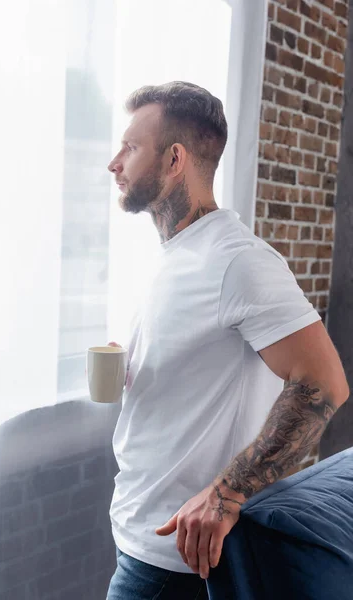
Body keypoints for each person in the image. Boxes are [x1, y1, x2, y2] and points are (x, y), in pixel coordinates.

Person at [104, 81, 349, 599]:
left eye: (130, 147)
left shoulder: (237, 260)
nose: (114, 162)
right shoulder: (173, 255)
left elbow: (324, 383)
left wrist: (226, 494)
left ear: (174, 159)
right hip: (137, 535)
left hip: (171, 563)